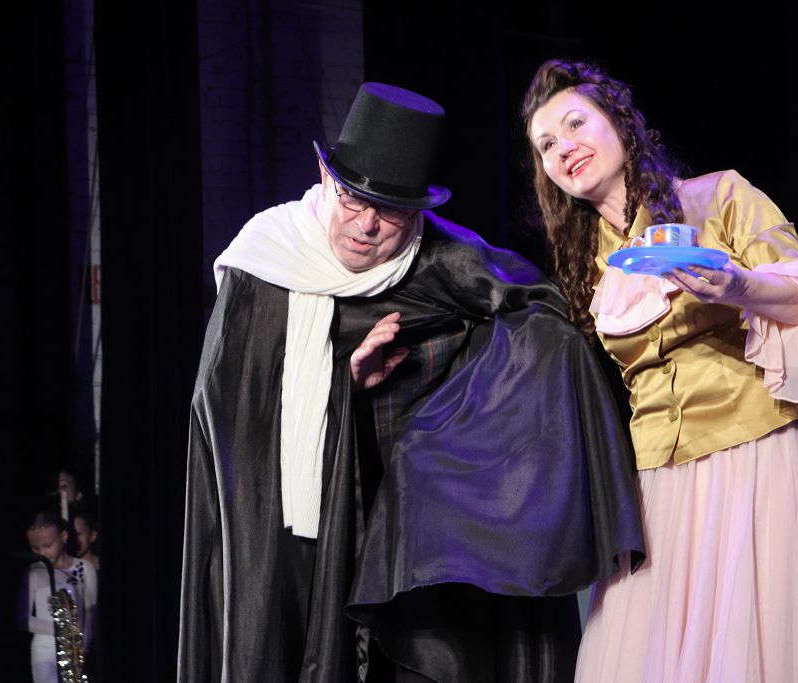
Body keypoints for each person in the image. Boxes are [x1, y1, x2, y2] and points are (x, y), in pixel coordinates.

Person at [178, 82, 645, 682]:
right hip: (282, 537)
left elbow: (543, 319)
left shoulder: (438, 259)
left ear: (418, 214)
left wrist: (443, 436)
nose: (367, 226)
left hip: (398, 538)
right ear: (325, 179)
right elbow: (229, 420)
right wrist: (342, 382)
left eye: (391, 212)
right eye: (353, 200)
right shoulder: (265, 263)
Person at [522, 59, 798, 682]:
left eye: (575, 124)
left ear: (620, 124)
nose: (563, 148)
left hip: (754, 452)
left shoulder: (717, 197)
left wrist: (739, 286)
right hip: (656, 480)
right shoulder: (585, 260)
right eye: (546, 144)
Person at [23, 510, 98, 683]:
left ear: (63, 536)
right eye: (35, 548)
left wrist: (83, 648)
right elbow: (23, 619)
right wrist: (62, 628)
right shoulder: (34, 571)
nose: (42, 553)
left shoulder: (84, 569)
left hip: (76, 652)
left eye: (47, 545)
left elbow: (90, 613)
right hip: (44, 652)